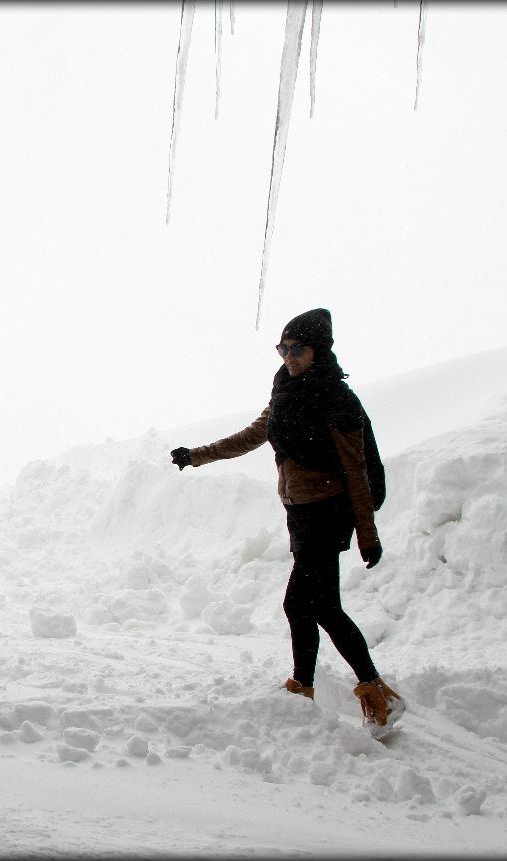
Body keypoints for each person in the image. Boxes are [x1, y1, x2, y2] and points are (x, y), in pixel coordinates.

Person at [169, 308, 405, 738]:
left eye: (298, 349)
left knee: (308, 605)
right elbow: (251, 435)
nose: (289, 357)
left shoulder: (337, 400)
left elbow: (355, 470)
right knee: (314, 605)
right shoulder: (284, 394)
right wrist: (197, 455)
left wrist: (367, 534)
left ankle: (340, 690)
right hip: (300, 513)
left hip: (329, 513)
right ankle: (336, 688)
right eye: (283, 349)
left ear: (319, 351)